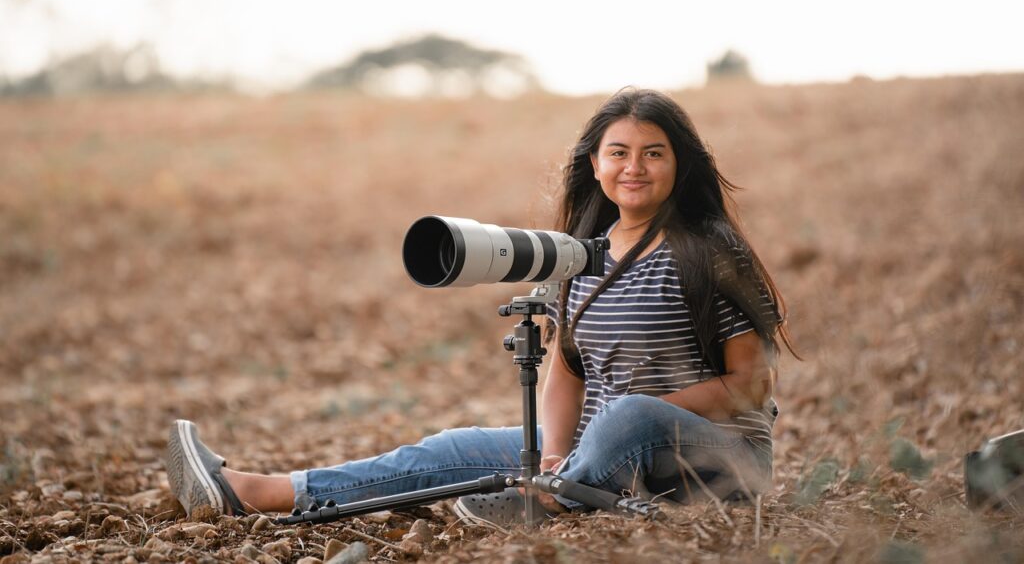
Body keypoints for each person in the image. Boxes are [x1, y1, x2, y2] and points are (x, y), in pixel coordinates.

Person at [167, 88, 795, 526]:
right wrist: (553, 456)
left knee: (628, 415)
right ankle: (258, 492)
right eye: (619, 153)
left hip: (717, 460)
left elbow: (751, 383)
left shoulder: (710, 254)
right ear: (596, 166)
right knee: (451, 448)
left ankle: (549, 503)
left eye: (653, 152)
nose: (634, 166)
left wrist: (643, 414)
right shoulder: (578, 257)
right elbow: (564, 370)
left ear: (680, 164)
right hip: (594, 458)